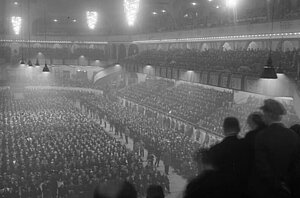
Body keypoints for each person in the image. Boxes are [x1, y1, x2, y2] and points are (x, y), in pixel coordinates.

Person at [249, 99, 300, 198]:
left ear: (268, 114)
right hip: (289, 190)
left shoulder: (262, 136)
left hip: (268, 191)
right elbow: (295, 166)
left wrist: (278, 186)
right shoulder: (293, 136)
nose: (263, 116)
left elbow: (262, 169)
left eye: (264, 113)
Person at [207, 117, 245, 197]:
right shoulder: (247, 146)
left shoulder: (215, 150)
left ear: (224, 129)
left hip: (221, 191)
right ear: (239, 129)